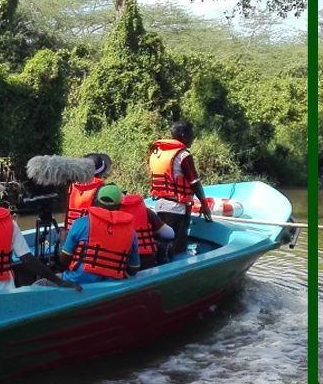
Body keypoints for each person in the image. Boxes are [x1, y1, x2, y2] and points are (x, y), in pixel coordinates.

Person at [148, 121, 212, 254]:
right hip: (176, 208)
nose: (193, 138)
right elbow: (195, 182)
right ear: (184, 136)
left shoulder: (158, 153)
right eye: (192, 135)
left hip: (160, 205)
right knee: (177, 249)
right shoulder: (183, 155)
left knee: (162, 244)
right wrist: (204, 205)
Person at [60, 184, 140, 285]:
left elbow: (64, 260)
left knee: (41, 283)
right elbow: (134, 268)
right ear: (120, 206)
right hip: (112, 286)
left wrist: (62, 240)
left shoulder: (79, 223)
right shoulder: (131, 232)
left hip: (77, 283)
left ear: (96, 203)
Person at [120, 191, 176, 269]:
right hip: (146, 260)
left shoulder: (113, 215)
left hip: (122, 262)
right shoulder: (147, 212)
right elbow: (170, 234)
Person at [64, 153, 113, 230]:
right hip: (87, 234)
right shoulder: (101, 190)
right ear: (100, 174)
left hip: (69, 232)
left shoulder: (71, 186)